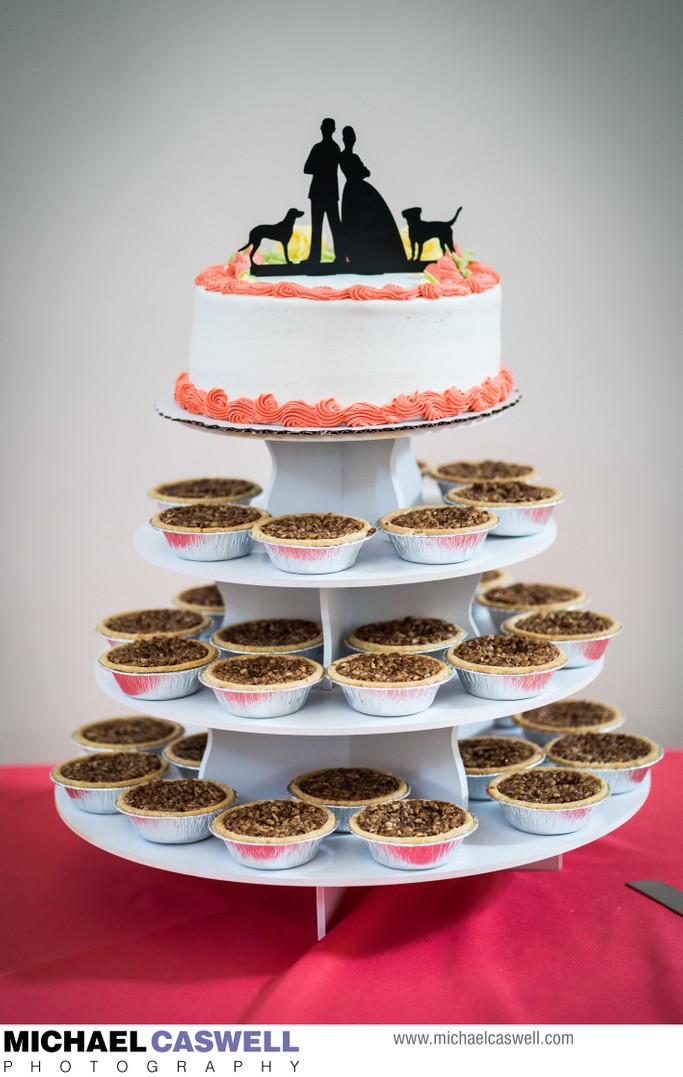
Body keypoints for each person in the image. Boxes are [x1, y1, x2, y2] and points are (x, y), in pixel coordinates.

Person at [339, 126, 407, 271]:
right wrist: (362, 171)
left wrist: (363, 171)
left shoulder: (350, 157)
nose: (351, 140)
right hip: (355, 192)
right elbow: (362, 171)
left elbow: (364, 171)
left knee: (374, 221)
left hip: (359, 190)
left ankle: (380, 254)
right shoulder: (345, 157)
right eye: (349, 137)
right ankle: (362, 255)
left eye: (352, 137)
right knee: (359, 223)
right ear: (345, 139)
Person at [303, 118, 343, 265]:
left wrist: (319, 167)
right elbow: (306, 169)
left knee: (329, 226)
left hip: (322, 192)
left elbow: (308, 168)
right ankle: (319, 258)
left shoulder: (321, 148)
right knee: (328, 226)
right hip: (326, 192)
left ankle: (327, 257)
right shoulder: (333, 148)